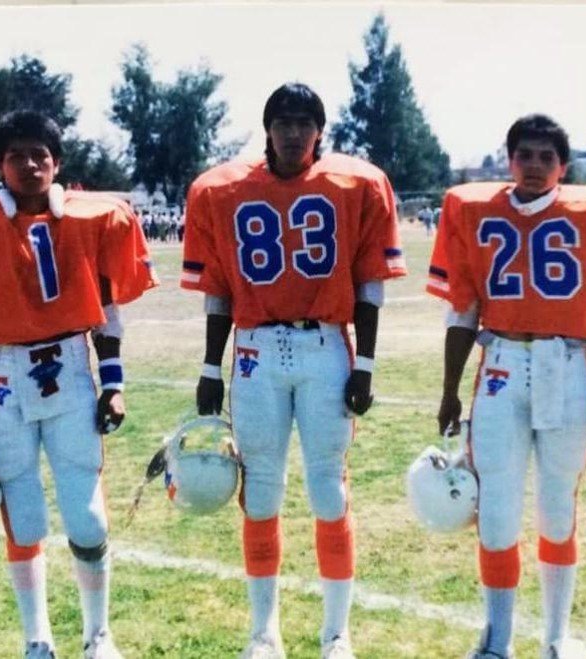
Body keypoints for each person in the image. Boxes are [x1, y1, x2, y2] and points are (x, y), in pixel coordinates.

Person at [181, 82, 406, 659]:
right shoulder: (223, 189)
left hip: (325, 345)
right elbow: (218, 290)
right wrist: (210, 366)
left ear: (320, 131)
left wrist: (366, 364)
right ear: (267, 129)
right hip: (256, 350)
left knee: (328, 490)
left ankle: (337, 633)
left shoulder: (355, 184)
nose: (293, 133)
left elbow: (369, 283)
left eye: (305, 122)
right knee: (261, 491)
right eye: (283, 121)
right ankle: (264, 632)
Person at [426, 114, 586, 659]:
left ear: (563, 167)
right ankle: (497, 638)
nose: (534, 165)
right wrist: (450, 388)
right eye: (524, 155)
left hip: (566, 366)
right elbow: (463, 311)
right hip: (500, 366)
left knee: (556, 508)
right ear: (509, 161)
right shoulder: (476, 211)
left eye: (546, 157)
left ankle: (556, 636)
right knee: (497, 511)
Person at [0, 110, 157, 659]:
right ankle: (37, 638)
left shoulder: (91, 219)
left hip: (69, 366)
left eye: (39, 154)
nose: (30, 165)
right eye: (17, 156)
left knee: (86, 515)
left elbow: (105, 311)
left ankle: (98, 634)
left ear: (57, 163)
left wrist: (114, 384)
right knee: (24, 516)